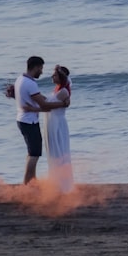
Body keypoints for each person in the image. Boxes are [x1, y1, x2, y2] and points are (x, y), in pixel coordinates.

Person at [8, 56, 70, 185]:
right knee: (34, 154)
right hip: (28, 122)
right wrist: (62, 105)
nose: (42, 72)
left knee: (32, 153)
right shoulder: (30, 83)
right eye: (41, 68)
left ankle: (31, 181)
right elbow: (45, 105)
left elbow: (35, 99)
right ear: (35, 67)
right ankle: (27, 184)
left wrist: (31, 107)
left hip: (24, 120)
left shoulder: (20, 79)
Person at [44, 64, 73, 192]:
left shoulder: (63, 91)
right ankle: (56, 181)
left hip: (57, 123)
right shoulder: (57, 89)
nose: (52, 76)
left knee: (59, 151)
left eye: (54, 75)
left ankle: (61, 184)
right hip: (52, 121)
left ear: (60, 77)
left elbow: (49, 105)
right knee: (54, 151)